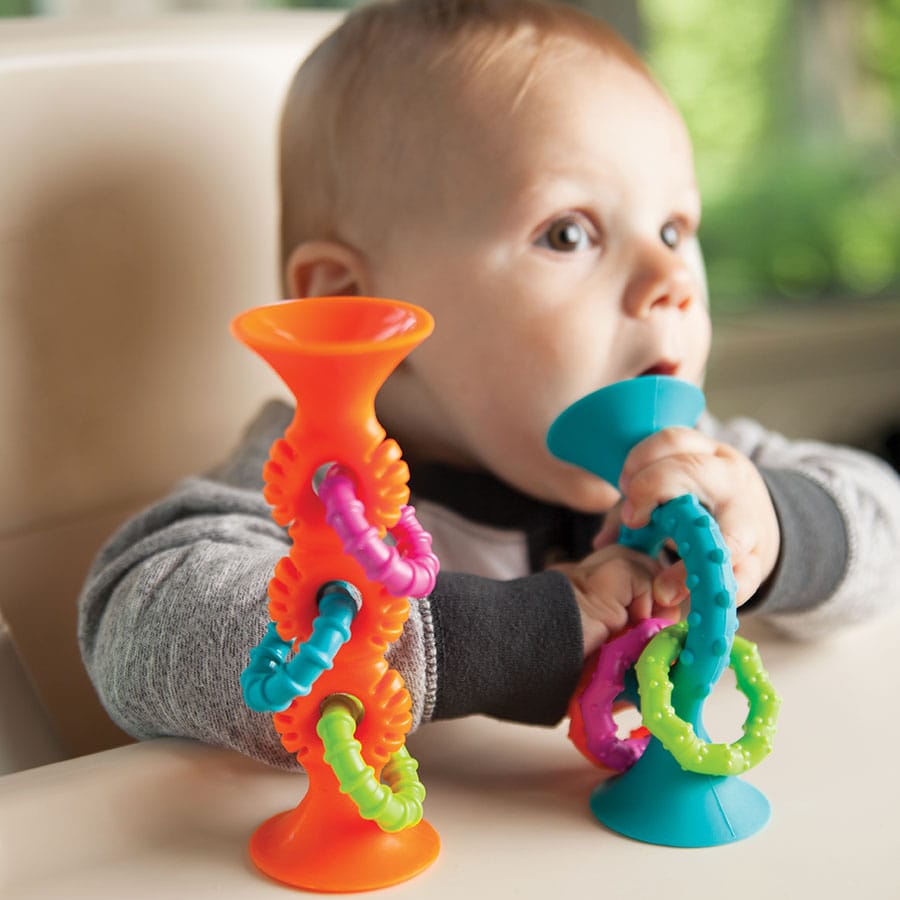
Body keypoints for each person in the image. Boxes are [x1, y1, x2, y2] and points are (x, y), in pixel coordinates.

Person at [78, 0, 900, 769]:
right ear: (357, 308)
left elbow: (883, 521)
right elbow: (139, 627)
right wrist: (509, 637)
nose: (671, 281)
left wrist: (774, 531)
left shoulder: (688, 469)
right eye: (568, 233)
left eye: (675, 229)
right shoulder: (317, 490)